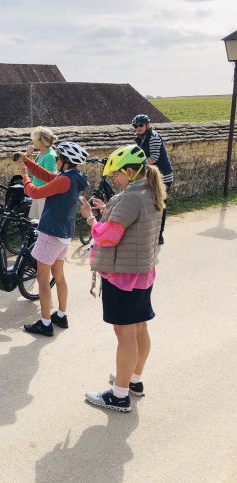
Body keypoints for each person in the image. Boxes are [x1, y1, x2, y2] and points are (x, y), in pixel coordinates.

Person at [80, 144, 165, 413]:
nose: (113, 179)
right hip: (142, 272)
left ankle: (118, 395)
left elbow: (107, 236)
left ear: (130, 171)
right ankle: (134, 381)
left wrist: (91, 219)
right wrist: (109, 209)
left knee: (124, 333)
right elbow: (133, 224)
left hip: (123, 276)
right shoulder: (149, 190)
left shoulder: (130, 198)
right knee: (139, 328)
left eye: (116, 174)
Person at [15, 141, 89, 336]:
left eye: (58, 158)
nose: (55, 160)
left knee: (42, 278)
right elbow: (47, 176)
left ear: (65, 161)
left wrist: (24, 175)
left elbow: (35, 192)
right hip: (63, 234)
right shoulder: (72, 177)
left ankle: (46, 323)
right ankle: (61, 315)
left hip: (51, 234)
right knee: (59, 276)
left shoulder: (65, 180)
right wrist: (28, 162)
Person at [132, 114, 173, 244]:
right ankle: (150, 233)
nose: (138, 128)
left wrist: (136, 167)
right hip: (151, 175)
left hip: (163, 176)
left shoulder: (153, 137)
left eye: (141, 125)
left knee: (159, 205)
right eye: (136, 126)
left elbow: (153, 158)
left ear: (147, 125)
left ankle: (159, 235)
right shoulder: (140, 138)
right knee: (148, 204)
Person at [25, 127, 58, 220]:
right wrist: (29, 156)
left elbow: (50, 178)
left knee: (42, 224)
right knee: (35, 223)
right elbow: (33, 171)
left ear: (40, 141)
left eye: (34, 139)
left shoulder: (50, 156)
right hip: (38, 193)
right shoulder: (41, 153)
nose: (33, 141)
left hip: (45, 196)